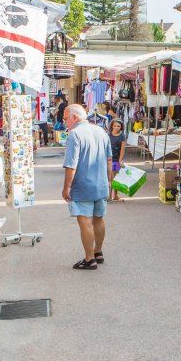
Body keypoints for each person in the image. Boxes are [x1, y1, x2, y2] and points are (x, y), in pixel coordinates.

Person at [62, 104, 113, 270]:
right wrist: (109, 181)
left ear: (74, 117)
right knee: (99, 218)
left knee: (85, 221)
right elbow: (109, 160)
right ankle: (98, 252)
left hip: (83, 185)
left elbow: (71, 165)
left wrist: (66, 187)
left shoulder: (74, 135)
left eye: (65, 119)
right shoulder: (101, 131)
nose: (64, 123)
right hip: (101, 184)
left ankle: (89, 258)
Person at [109, 120, 127, 202]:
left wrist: (120, 160)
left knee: (116, 178)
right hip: (109, 159)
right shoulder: (108, 135)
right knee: (110, 178)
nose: (116, 127)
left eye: (118, 126)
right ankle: (109, 196)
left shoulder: (122, 136)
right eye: (115, 126)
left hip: (116, 160)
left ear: (121, 127)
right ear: (112, 126)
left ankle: (115, 196)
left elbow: (122, 148)